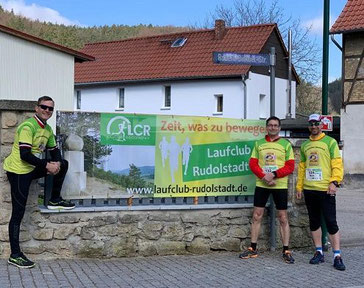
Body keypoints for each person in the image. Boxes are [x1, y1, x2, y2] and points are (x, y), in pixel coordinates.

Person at [3, 96, 75, 269]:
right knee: (18, 213)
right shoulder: (28, 126)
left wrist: (56, 163)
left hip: (31, 168)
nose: (47, 111)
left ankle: (54, 199)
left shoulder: (47, 129)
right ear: (36, 108)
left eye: (50, 108)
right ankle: (15, 255)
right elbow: (25, 155)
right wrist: (46, 165)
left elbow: (54, 149)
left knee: (63, 164)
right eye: (44, 107)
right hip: (18, 171)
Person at [239, 116, 295, 264]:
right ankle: (253, 248)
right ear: (266, 127)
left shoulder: (286, 144)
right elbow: (253, 164)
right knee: (257, 216)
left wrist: (273, 175)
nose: (273, 127)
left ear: (279, 128)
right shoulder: (259, 144)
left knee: (283, 217)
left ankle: (286, 250)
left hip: (279, 185)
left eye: (276, 125)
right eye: (270, 125)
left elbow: (290, 166)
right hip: (262, 184)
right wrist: (265, 177)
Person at [296, 114, 345, 271]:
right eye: (311, 124)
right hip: (310, 189)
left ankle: (337, 255)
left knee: (331, 222)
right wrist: (299, 186)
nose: (314, 126)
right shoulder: (305, 145)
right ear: (309, 126)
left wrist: (334, 181)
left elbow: (337, 163)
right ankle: (319, 252)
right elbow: (302, 167)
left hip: (326, 188)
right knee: (314, 222)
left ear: (322, 125)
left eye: (316, 123)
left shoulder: (330, 142)